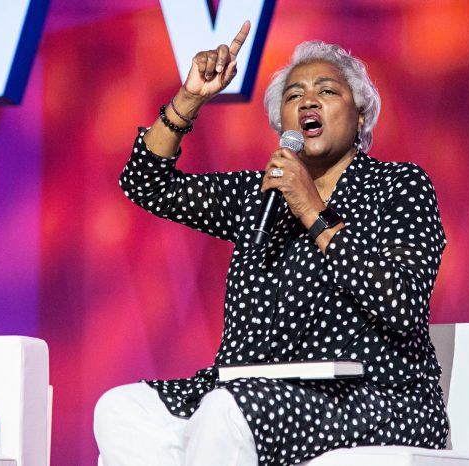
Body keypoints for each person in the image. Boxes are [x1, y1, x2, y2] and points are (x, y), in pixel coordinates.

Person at [94, 20, 449, 466]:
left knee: (228, 412)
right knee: (124, 409)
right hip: (249, 387)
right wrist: (190, 100)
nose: (307, 101)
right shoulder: (258, 195)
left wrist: (313, 210)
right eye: (293, 95)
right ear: (282, 121)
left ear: (361, 115)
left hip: (374, 395)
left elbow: (402, 303)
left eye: (327, 90)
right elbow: (146, 184)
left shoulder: (398, 186)